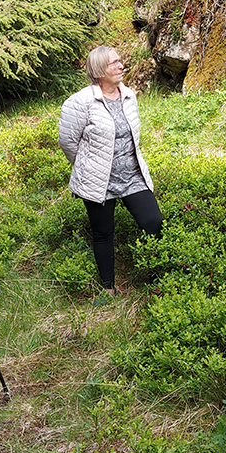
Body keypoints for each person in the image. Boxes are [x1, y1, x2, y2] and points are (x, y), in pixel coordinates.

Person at [58, 46, 162, 295]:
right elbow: (67, 142)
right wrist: (88, 166)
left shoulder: (129, 96)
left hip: (132, 176)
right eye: (113, 63)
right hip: (98, 181)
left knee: (154, 222)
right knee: (103, 233)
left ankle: (156, 277)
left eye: (120, 61)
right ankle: (108, 288)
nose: (120, 66)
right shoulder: (80, 102)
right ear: (98, 71)